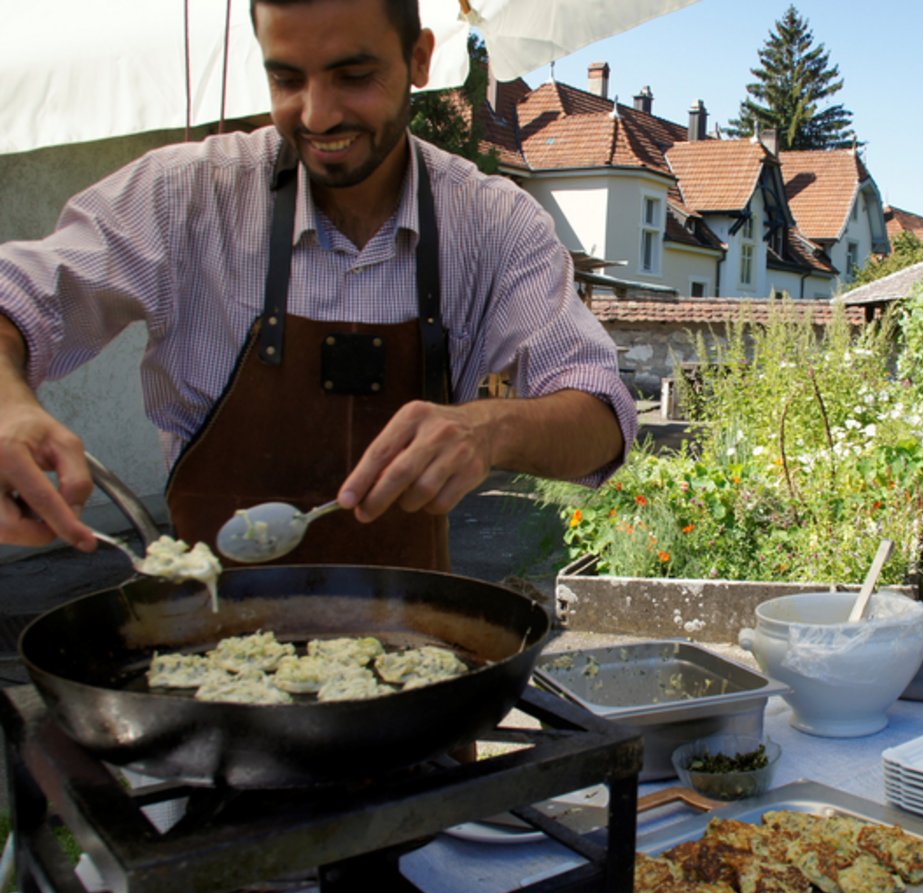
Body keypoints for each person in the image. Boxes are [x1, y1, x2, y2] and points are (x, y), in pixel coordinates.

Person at [0, 0, 636, 571]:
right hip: (207, 636)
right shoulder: (183, 196)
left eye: (353, 76)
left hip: (418, 645)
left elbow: (602, 418)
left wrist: (488, 429)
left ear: (418, 59)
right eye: (287, 78)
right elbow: (18, 295)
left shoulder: (492, 221)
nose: (317, 114)